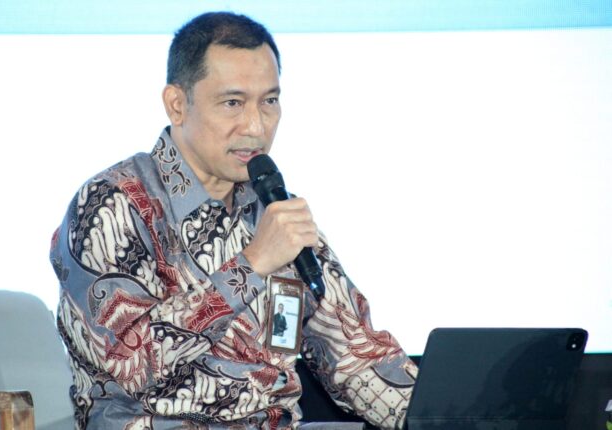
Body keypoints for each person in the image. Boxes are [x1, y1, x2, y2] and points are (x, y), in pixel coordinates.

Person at [50, 11, 417, 430]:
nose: (256, 126)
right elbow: (130, 366)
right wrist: (252, 264)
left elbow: (356, 357)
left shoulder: (274, 210)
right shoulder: (113, 204)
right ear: (177, 104)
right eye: (233, 103)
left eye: (269, 101)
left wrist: (450, 413)